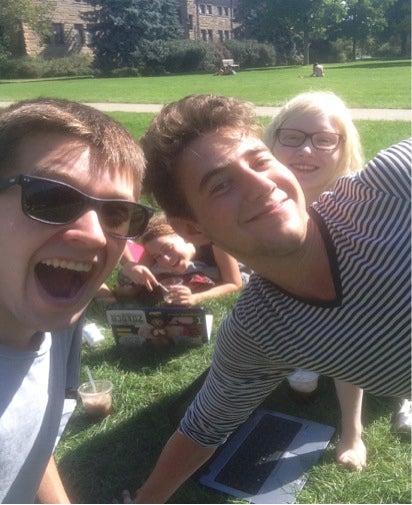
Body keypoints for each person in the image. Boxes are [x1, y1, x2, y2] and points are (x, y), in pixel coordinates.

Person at [122, 94, 411, 503]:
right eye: (221, 184)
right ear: (193, 228)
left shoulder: (393, 188)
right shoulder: (258, 333)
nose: (262, 186)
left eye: (260, 162)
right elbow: (202, 429)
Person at [0, 97, 151, 503]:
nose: (95, 235)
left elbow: (29, 436)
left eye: (118, 214)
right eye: (50, 198)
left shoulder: (61, 325)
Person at [265, 90, 367, 469]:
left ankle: (352, 432)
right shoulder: (263, 199)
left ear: (344, 148)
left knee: (346, 327)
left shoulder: (358, 203)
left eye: (324, 139)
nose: (306, 151)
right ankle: (304, 355)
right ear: (273, 140)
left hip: (361, 315)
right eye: (292, 137)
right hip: (297, 308)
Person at [116, 213, 244, 305]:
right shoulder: (153, 250)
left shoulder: (214, 242)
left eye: (168, 248)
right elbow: (126, 292)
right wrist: (128, 271)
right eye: (158, 256)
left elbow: (234, 283)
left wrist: (196, 298)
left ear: (183, 236)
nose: (166, 259)